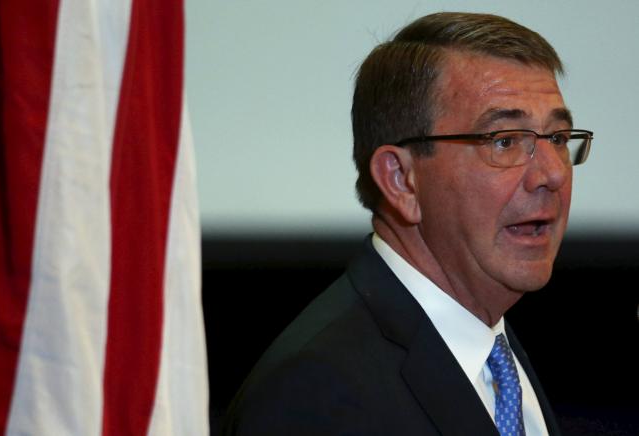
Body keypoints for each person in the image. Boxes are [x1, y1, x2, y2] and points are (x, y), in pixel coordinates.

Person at [223, 12, 593, 436]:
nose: (553, 175)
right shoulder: (315, 396)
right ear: (401, 181)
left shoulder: (494, 351)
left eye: (559, 140)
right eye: (504, 141)